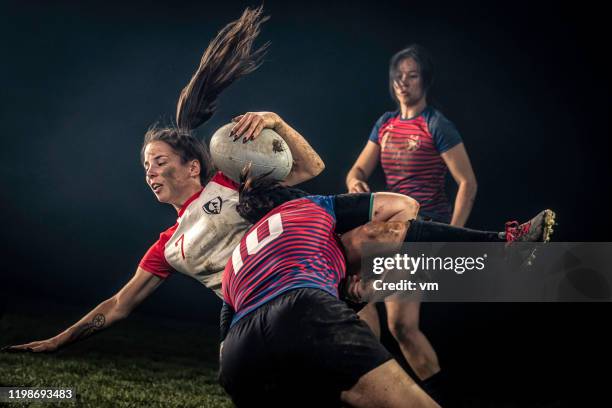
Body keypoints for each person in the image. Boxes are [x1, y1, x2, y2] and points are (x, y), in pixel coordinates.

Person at [2, 6, 324, 353]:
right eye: (145, 166)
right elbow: (118, 305)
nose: (150, 172)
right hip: (261, 310)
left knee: (383, 296)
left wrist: (274, 120)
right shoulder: (169, 246)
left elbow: (310, 168)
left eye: (159, 161)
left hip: (310, 277)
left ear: (192, 168)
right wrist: (56, 340)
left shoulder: (230, 183)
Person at [218, 175, 554, 407]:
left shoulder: (237, 256)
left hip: (239, 357)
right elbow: (403, 206)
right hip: (304, 312)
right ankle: (502, 245)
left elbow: (224, 338)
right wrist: (364, 272)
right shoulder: (312, 207)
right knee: (381, 234)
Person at [345, 44, 477, 387]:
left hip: (420, 231)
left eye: (412, 75)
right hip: (387, 230)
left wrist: (450, 235)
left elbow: (467, 183)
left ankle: (435, 396)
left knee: (401, 325)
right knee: (363, 307)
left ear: (425, 81)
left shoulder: (436, 124)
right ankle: (373, 383)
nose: (403, 82)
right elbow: (356, 170)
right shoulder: (385, 124)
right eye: (398, 76)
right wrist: (357, 180)